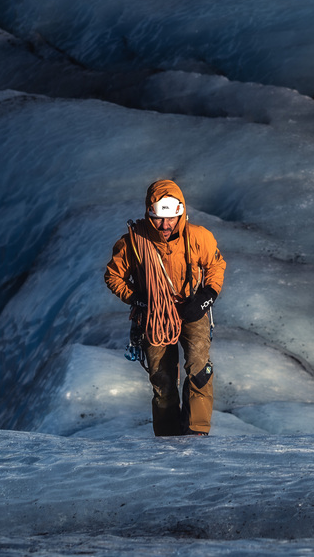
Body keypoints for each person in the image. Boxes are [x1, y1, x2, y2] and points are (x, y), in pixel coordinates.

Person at [104, 179, 225, 436]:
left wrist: (206, 297)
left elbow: (215, 266)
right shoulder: (133, 244)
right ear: (149, 213)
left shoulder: (199, 237)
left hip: (192, 308)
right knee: (162, 378)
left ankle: (196, 433)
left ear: (180, 213)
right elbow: (113, 276)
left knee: (199, 368)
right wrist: (137, 299)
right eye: (159, 219)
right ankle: (168, 440)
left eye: (171, 219)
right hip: (154, 315)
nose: (165, 225)